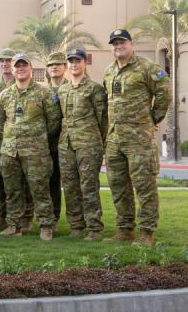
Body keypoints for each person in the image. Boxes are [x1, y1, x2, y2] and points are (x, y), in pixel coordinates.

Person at [103, 29, 171, 246]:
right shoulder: (109, 71)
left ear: (131, 44)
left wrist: (152, 119)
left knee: (144, 186)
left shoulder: (147, 67)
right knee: (118, 186)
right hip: (115, 140)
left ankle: (146, 232)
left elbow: (164, 92)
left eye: (122, 42)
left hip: (139, 139)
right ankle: (125, 229)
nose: (118, 46)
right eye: (114, 43)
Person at [0, 53, 61, 241]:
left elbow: (54, 121)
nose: (20, 69)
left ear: (31, 68)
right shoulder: (5, 95)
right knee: (12, 190)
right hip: (9, 152)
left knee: (40, 190)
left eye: (24, 65)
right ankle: (14, 225)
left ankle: (46, 226)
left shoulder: (43, 93)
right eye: (17, 66)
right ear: (13, 70)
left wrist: (36, 138)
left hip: (36, 152)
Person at [57, 48, 107, 241]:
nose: (74, 64)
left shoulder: (95, 89)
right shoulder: (63, 90)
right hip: (66, 144)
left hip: (88, 144)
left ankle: (95, 228)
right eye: (70, 61)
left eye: (77, 61)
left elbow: (102, 118)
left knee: (89, 186)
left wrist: (97, 141)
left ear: (85, 63)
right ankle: (76, 225)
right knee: (70, 186)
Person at [0, 48, 33, 230]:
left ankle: (27, 218)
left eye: (8, 60)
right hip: (1, 143)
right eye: (2, 61)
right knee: (5, 183)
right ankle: (5, 218)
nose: (5, 64)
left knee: (27, 183)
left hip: (26, 144)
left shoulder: (26, 84)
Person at [46, 51, 67, 223]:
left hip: (70, 142)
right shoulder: (42, 91)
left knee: (73, 184)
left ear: (64, 67)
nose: (54, 67)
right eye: (51, 65)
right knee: (51, 182)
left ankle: (80, 222)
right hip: (48, 144)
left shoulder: (73, 86)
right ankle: (53, 217)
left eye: (58, 64)